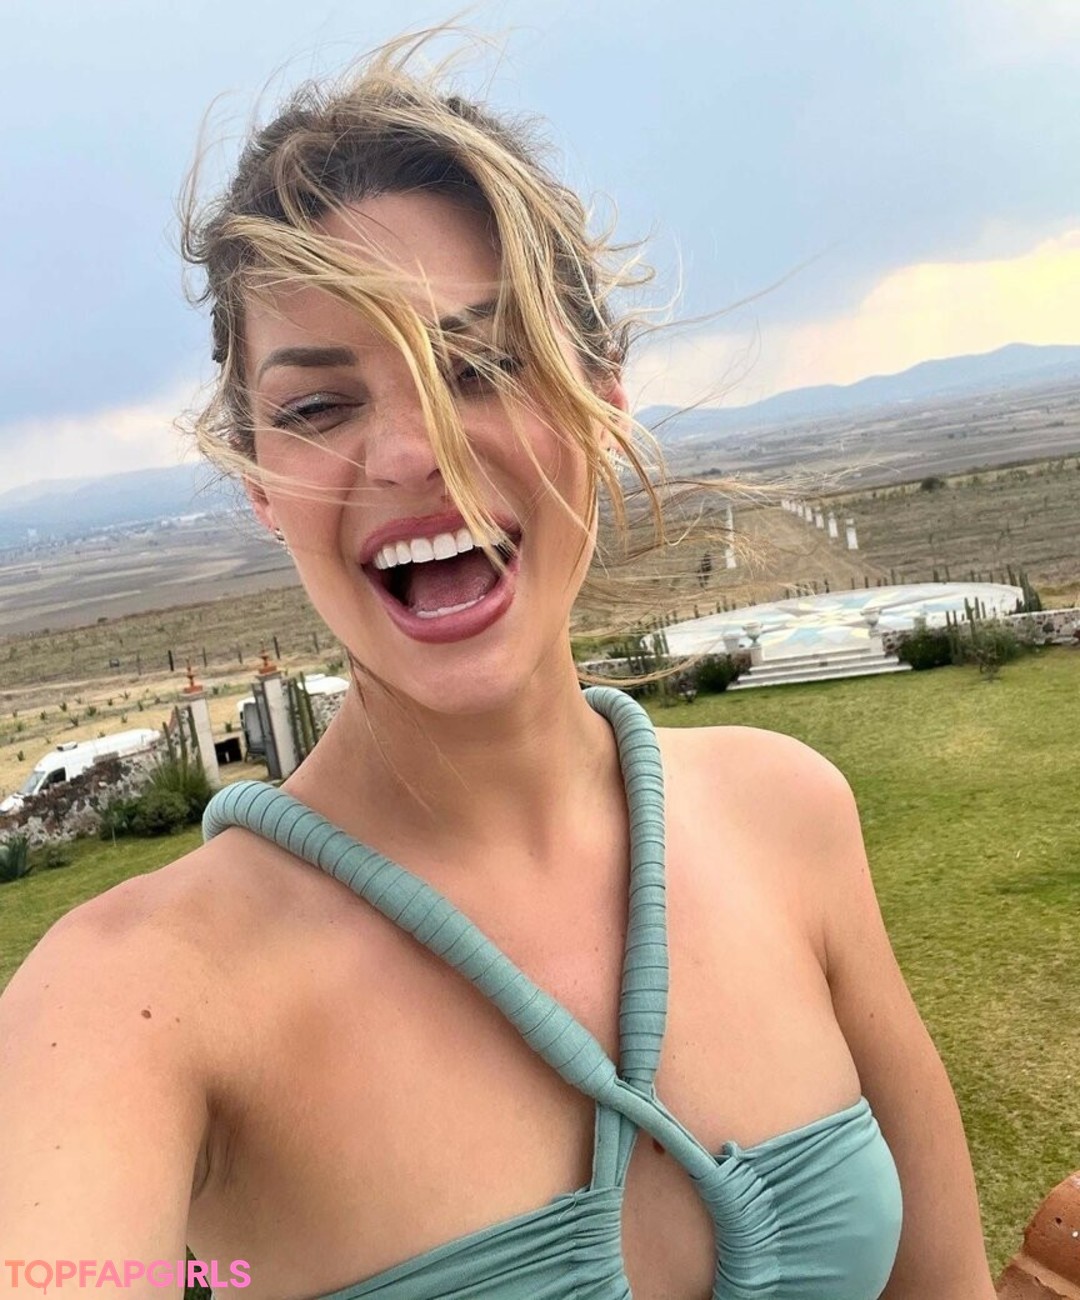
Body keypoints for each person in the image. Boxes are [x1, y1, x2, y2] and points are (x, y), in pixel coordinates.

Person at [0, 36, 998, 1300]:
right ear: (258, 481)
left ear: (602, 394)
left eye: (478, 364)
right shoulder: (134, 1002)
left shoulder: (790, 816)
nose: (411, 450)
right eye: (318, 407)